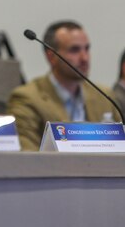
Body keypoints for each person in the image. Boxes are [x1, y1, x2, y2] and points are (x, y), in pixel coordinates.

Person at [7, 20, 121, 151]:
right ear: (51, 57)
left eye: (87, 48)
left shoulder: (104, 96)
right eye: (74, 50)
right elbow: (26, 156)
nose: (84, 58)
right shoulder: (26, 98)